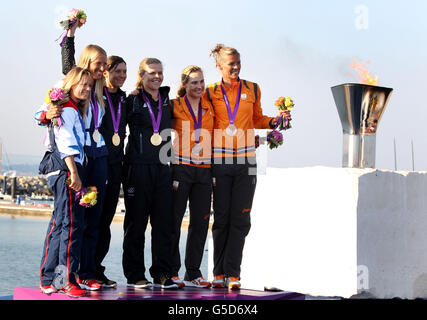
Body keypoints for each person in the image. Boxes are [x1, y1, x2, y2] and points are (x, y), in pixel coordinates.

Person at [205, 44, 288, 289]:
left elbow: (257, 119)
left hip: (247, 162)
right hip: (219, 161)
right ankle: (218, 274)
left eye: (238, 62)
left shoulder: (252, 88)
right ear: (219, 65)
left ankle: (234, 274)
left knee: (241, 219)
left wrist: (275, 121)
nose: (236, 67)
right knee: (221, 218)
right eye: (231, 63)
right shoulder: (210, 91)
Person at [35, 25, 108, 291]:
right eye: (98, 64)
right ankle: (57, 279)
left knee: (83, 220)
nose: (102, 70)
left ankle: (77, 274)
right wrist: (47, 114)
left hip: (91, 160)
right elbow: (42, 116)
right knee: (66, 223)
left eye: (104, 65)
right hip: (69, 165)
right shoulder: (65, 96)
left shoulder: (92, 95)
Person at [122, 57, 178, 289]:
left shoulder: (167, 100)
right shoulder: (132, 101)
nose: (157, 77)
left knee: (163, 224)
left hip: (163, 168)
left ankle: (162, 273)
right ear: (141, 75)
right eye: (151, 73)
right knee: (136, 224)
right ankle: (135, 274)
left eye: (160, 73)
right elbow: (112, 125)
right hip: (137, 167)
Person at [39, 67, 92, 298]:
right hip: (66, 169)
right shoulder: (65, 109)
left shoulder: (70, 108)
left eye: (90, 85)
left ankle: (49, 278)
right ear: (70, 84)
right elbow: (65, 142)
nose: (88, 89)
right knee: (71, 226)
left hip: (62, 170)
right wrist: (74, 173)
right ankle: (66, 279)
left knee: (60, 225)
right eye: (83, 84)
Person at [169, 66, 214, 288]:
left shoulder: (210, 106)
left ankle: (193, 272)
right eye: (194, 82)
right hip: (181, 167)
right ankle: (172, 271)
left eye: (201, 82)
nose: (199, 86)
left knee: (200, 223)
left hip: (205, 170)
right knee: (174, 222)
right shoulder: (174, 105)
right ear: (185, 84)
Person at [94, 55, 128, 288]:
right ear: (105, 72)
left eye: (125, 72)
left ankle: (97, 269)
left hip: (117, 166)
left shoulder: (127, 98)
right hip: (98, 163)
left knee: (105, 221)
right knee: (92, 220)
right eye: (117, 71)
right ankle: (82, 269)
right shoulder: (96, 94)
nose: (121, 76)